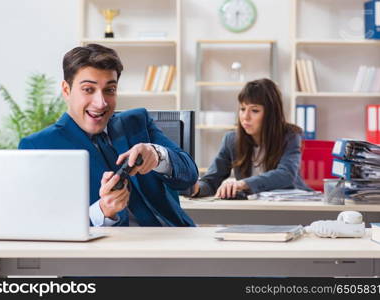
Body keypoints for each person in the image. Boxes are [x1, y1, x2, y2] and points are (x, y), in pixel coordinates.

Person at [19, 44, 197, 227]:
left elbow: (189, 175)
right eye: (88, 89)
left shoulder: (137, 121)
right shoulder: (38, 146)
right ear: (66, 90)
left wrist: (158, 156)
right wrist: (102, 212)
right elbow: (41, 224)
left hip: (177, 238)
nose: (101, 103)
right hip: (108, 252)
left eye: (109, 90)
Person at [191, 78, 311, 199]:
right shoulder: (232, 140)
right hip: (253, 207)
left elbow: (286, 174)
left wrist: (242, 184)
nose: (245, 117)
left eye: (254, 110)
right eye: (242, 109)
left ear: (271, 114)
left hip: (292, 205)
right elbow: (212, 180)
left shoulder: (290, 136)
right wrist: (196, 188)